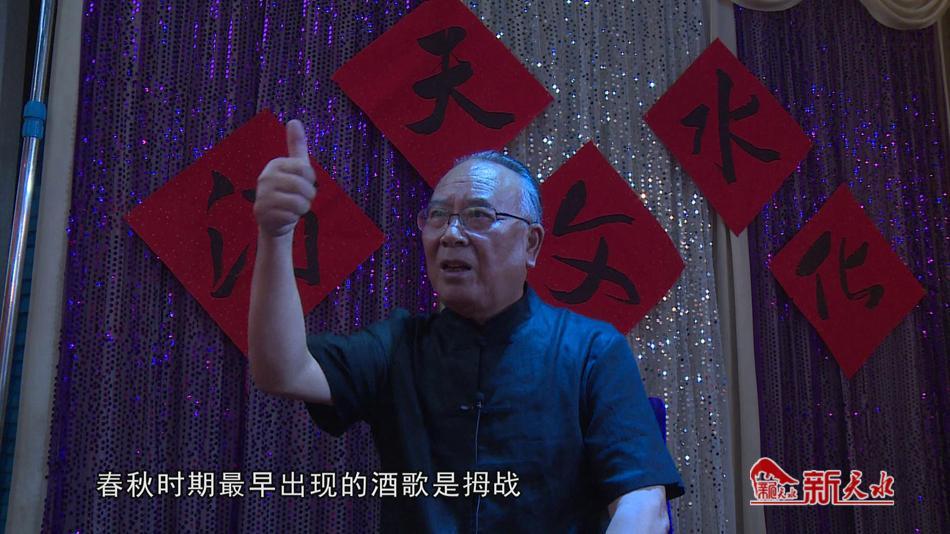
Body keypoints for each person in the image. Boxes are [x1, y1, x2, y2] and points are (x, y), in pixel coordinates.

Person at [248, 119, 684, 533]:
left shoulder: (591, 350)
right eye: (437, 216)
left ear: (531, 244)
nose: (451, 235)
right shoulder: (399, 346)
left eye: (478, 215)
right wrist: (276, 234)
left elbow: (642, 503)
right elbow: (282, 371)